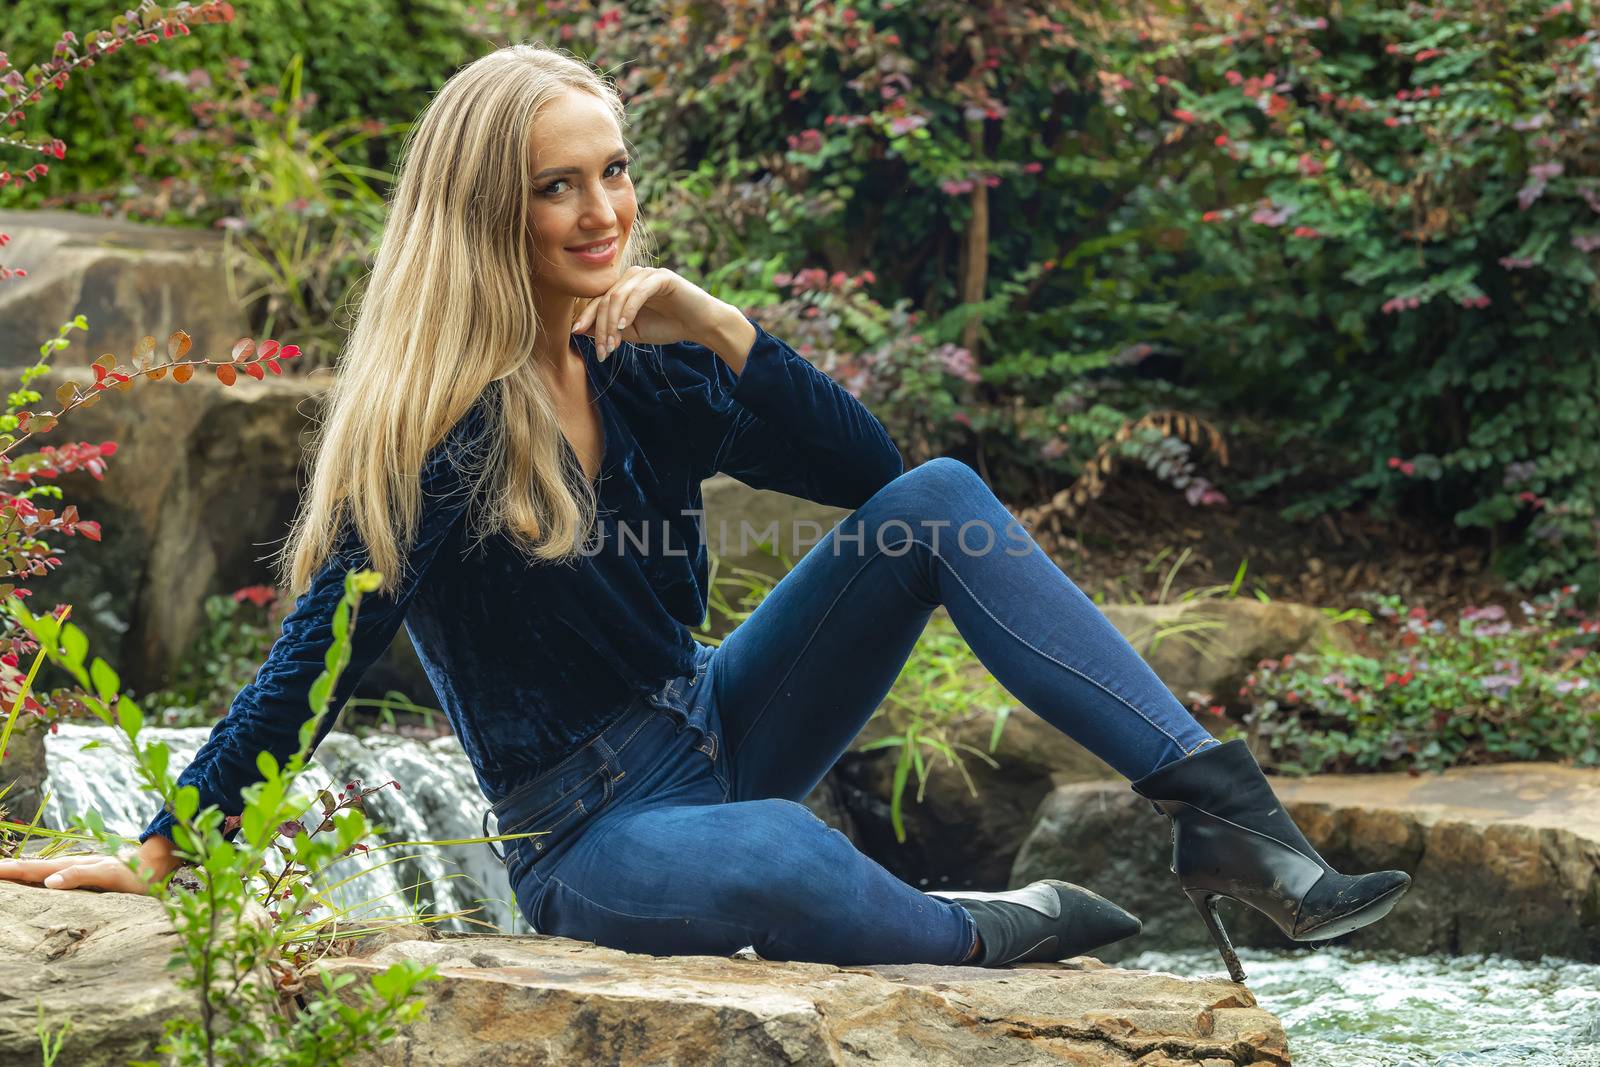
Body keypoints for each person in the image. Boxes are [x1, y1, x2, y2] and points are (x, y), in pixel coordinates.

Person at [0, 43, 1409, 980]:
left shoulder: (645, 365)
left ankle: (1224, 812)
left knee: (940, 502)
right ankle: (975, 932)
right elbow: (306, 666)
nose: (602, 209)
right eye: (557, 185)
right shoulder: (440, 441)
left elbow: (877, 478)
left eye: (613, 170)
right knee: (794, 852)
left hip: (722, 724)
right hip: (595, 845)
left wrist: (724, 325)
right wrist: (164, 852)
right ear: (487, 214)